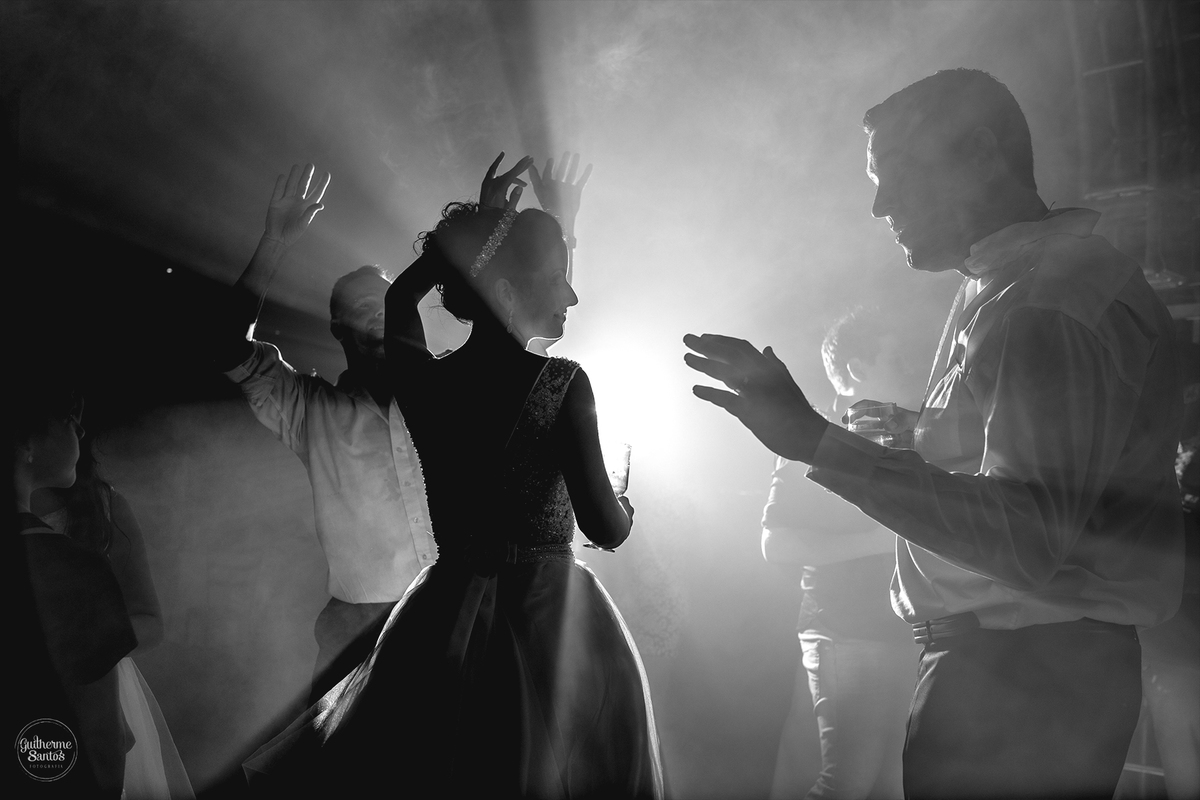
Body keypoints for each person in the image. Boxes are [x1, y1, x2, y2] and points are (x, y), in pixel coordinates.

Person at [685, 68, 1184, 799]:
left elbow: (1027, 535)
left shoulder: (1041, 303)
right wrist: (921, 433)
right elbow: (1037, 464)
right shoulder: (1017, 283)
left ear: (979, 152)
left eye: (896, 175)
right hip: (1030, 672)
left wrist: (817, 442)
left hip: (1021, 683)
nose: (881, 203)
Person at [245, 158, 663, 798]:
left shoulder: (428, 386)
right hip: (548, 618)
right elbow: (605, 529)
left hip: (446, 613)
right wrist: (623, 503)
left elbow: (400, 297)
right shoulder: (562, 384)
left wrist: (484, 235)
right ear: (507, 291)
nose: (572, 294)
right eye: (558, 280)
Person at [218, 156, 590, 702]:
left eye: (383, 307)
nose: (376, 319)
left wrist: (495, 233)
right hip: (358, 635)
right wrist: (274, 241)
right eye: (362, 310)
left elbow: (527, 322)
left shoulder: (447, 387)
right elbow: (222, 346)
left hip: (467, 608)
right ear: (337, 327)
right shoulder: (306, 407)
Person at [762, 307, 922, 800]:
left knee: (895, 786)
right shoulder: (810, 443)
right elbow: (775, 543)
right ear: (857, 370)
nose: (909, 371)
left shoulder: (904, 443)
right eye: (895, 359)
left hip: (902, 631)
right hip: (846, 631)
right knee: (847, 783)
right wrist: (885, 538)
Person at [32, 436, 194, 799]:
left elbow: (150, 620)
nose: (75, 429)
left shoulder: (103, 506)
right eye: (66, 418)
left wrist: (85, 641)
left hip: (99, 686)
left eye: (78, 419)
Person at [11, 384, 137, 798]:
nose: (80, 433)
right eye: (68, 420)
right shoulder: (71, 569)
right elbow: (103, 739)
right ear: (26, 442)